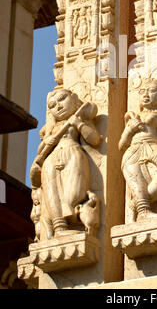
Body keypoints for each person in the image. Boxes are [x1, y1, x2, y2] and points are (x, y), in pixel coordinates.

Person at [30, 88, 101, 238]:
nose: (58, 106)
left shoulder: (79, 119)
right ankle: (59, 227)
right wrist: (46, 142)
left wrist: (78, 124)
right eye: (52, 105)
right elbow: (41, 149)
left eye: (62, 99)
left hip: (73, 153)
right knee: (51, 192)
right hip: (51, 159)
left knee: (74, 193)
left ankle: (74, 220)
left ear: (74, 99)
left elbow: (94, 139)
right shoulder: (51, 128)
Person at [119, 79, 157, 221]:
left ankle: (135, 204)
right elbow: (121, 145)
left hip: (154, 149)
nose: (146, 95)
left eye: (152, 91)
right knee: (137, 182)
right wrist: (130, 129)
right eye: (142, 92)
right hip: (133, 152)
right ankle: (143, 211)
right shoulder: (133, 118)